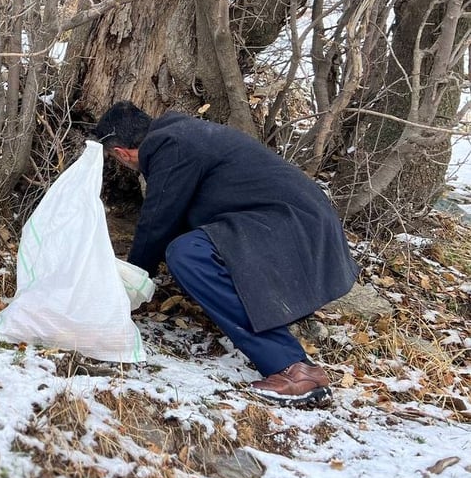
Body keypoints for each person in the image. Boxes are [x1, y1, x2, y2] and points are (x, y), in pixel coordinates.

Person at [94, 101, 359, 407]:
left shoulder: (170, 145)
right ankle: (291, 363)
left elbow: (157, 223)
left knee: (187, 254)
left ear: (121, 153)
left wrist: (128, 286)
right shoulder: (183, 134)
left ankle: (293, 369)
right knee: (192, 247)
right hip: (298, 225)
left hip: (292, 227)